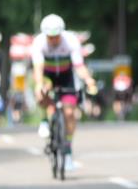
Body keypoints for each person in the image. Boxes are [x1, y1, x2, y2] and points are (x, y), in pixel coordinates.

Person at [31, 14, 99, 172]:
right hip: (47, 75)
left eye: (56, 36)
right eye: (50, 37)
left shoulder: (71, 41)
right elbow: (38, 69)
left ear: (61, 33)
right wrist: (40, 85)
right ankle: (44, 120)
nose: (53, 40)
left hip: (66, 76)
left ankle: (67, 151)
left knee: (70, 113)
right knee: (41, 92)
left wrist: (89, 80)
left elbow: (79, 65)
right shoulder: (39, 42)